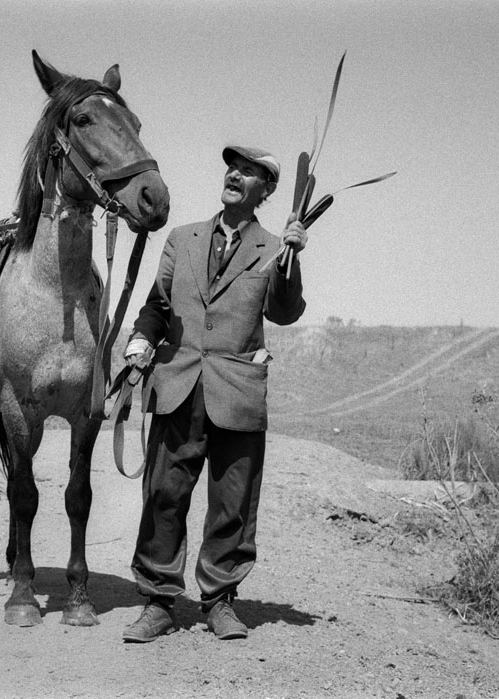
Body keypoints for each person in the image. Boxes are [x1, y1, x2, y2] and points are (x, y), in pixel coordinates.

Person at [121, 145, 308, 643]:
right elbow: (158, 305)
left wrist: (291, 260)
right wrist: (141, 340)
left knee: (232, 505)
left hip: (237, 392)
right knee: (163, 495)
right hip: (178, 385)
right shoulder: (181, 239)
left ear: (265, 191)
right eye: (232, 167)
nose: (235, 175)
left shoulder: (275, 248)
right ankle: (158, 602)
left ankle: (220, 601)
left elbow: (284, 312)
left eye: (248, 172)